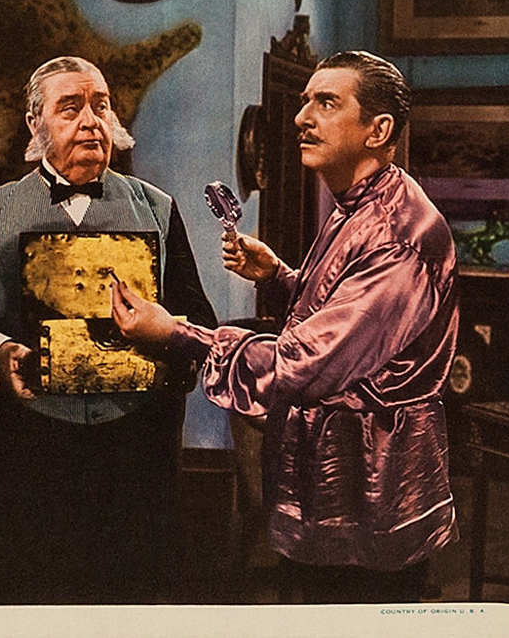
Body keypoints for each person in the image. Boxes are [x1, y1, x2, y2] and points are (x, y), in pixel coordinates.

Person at [112, 50, 459, 604]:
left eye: (327, 103)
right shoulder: (359, 206)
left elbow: (307, 362)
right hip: (333, 489)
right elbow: (349, 323)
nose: (302, 117)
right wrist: (279, 277)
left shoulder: (396, 235)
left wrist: (177, 333)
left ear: (378, 130)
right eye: (304, 102)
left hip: (369, 498)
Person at [0, 56, 216, 604]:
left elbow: (200, 318)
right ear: (36, 124)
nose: (90, 121)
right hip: (24, 457)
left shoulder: (157, 209)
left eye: (100, 106)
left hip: (131, 457)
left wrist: (166, 335)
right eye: (70, 107)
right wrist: (0, 351)